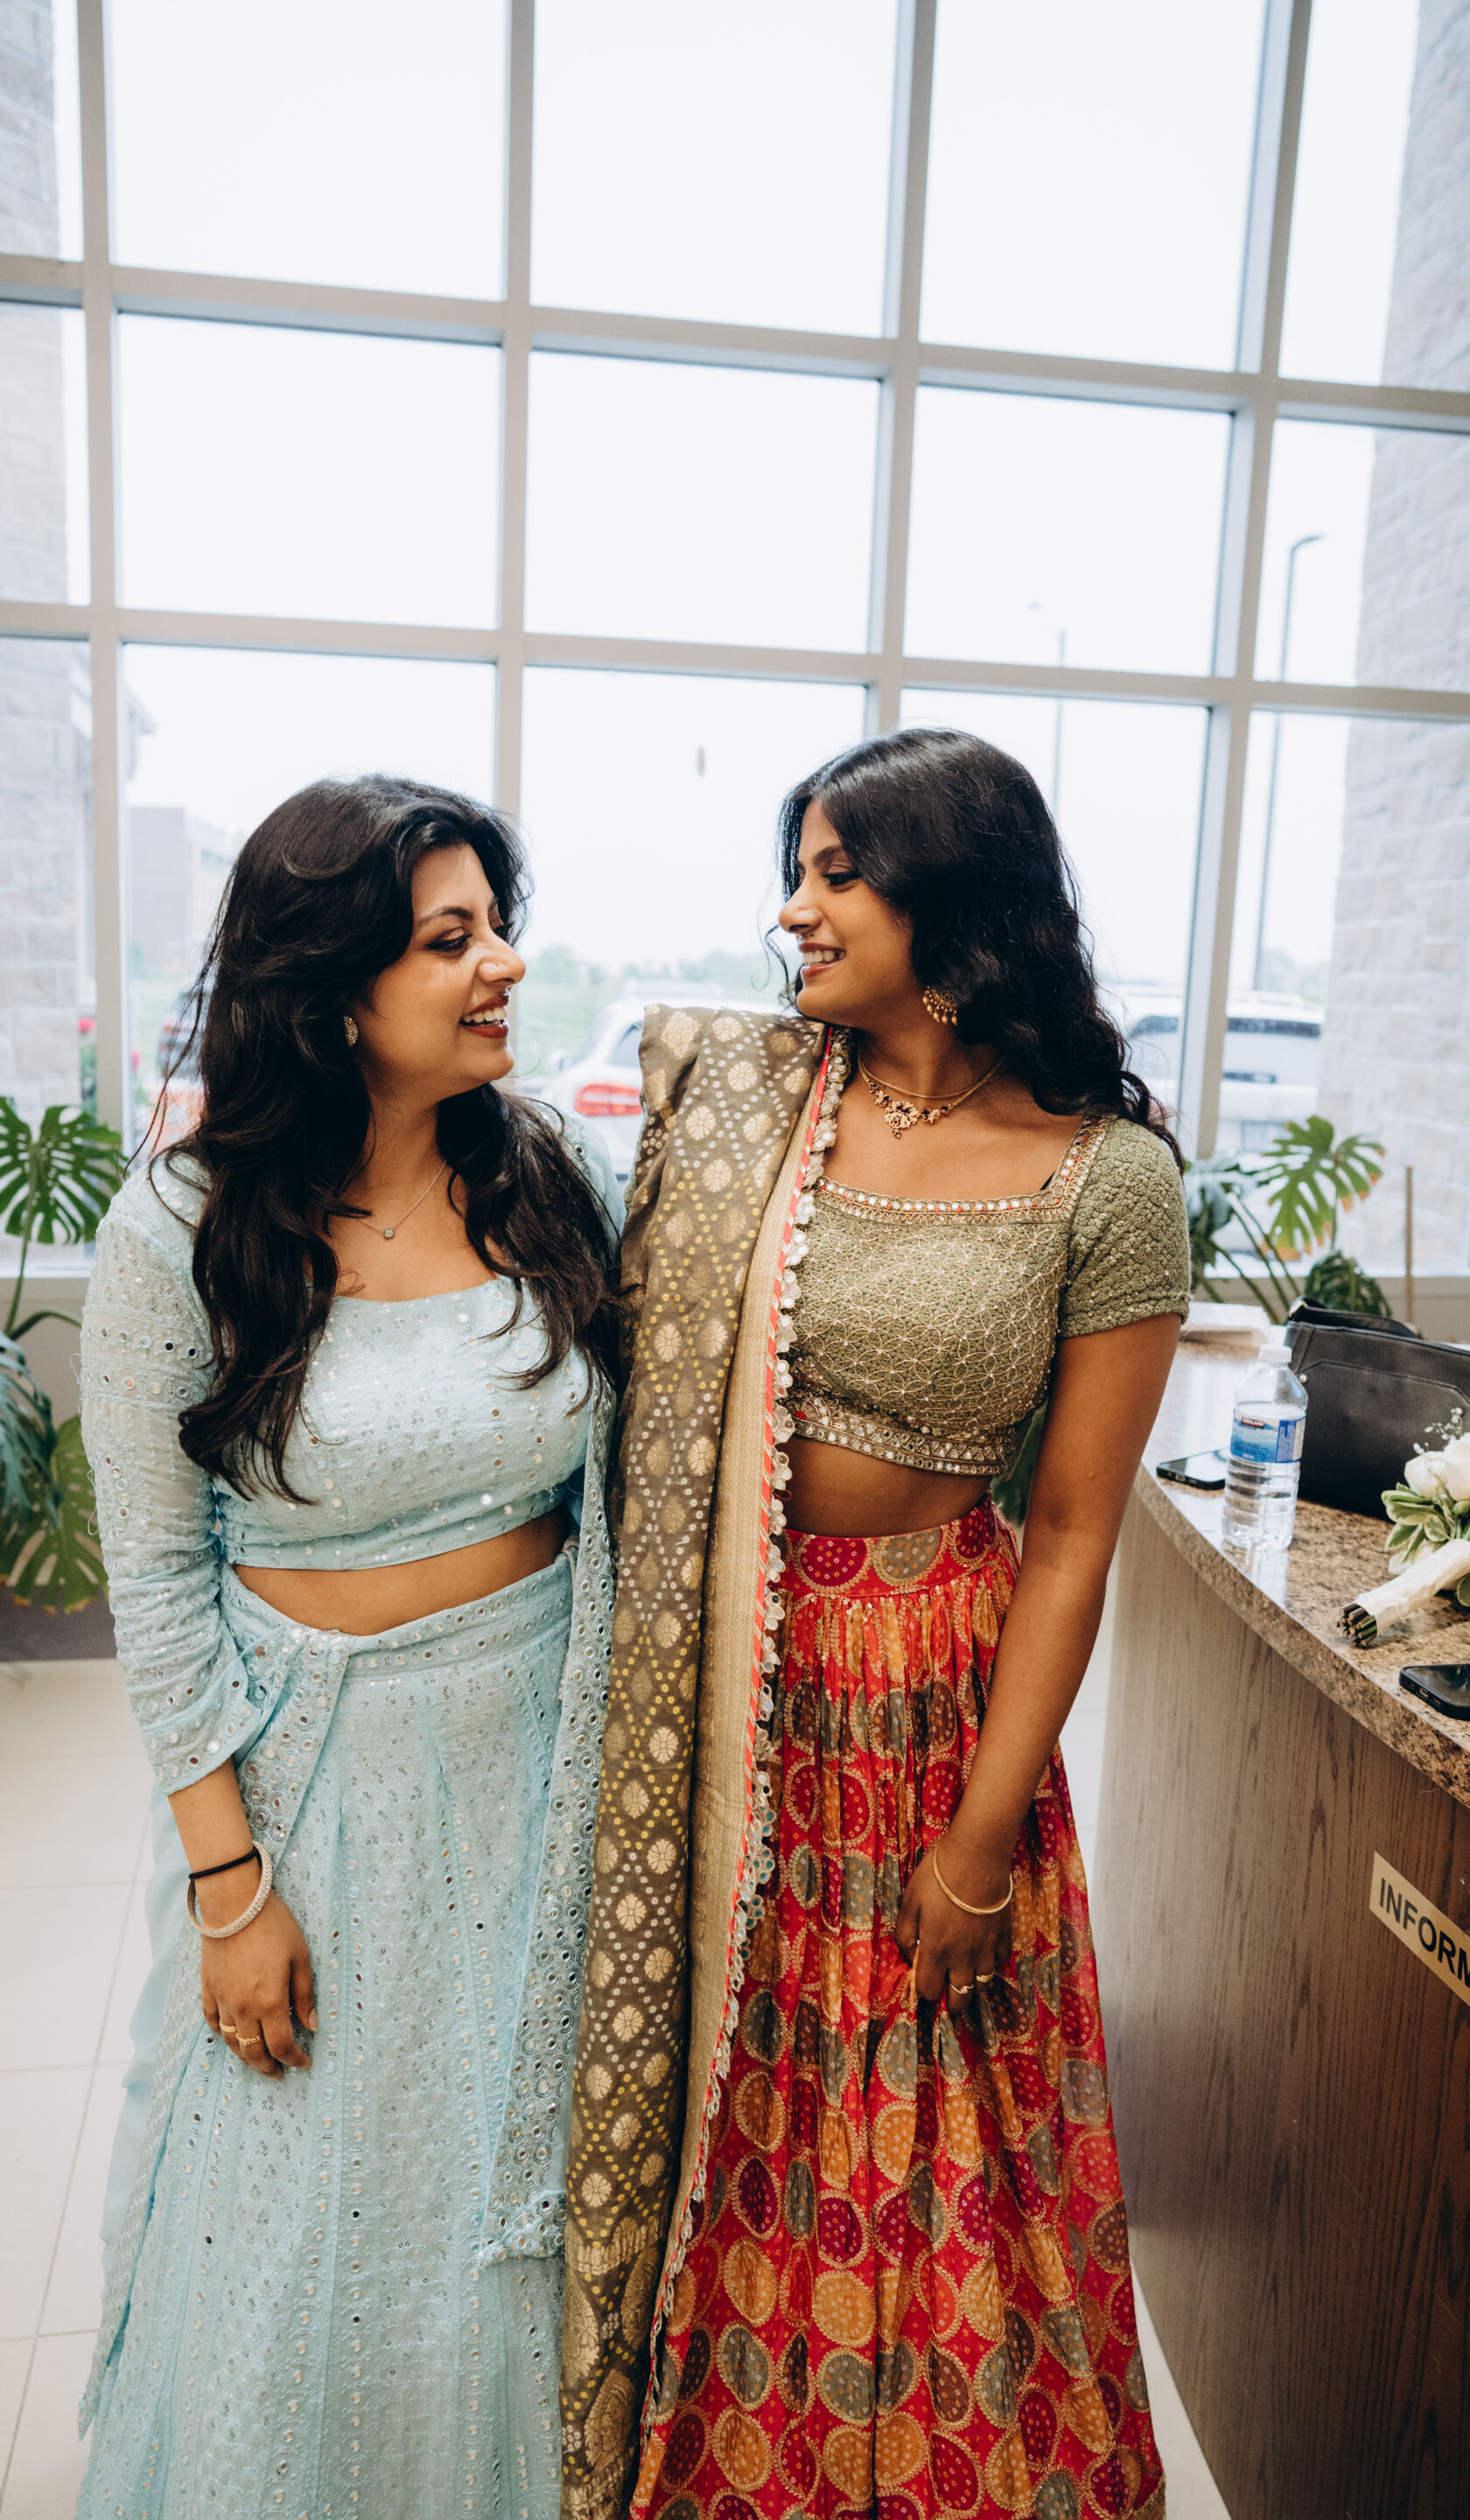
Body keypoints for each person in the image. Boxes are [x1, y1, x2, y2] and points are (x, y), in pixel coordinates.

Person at [560, 727, 1186, 2520]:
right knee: (741, 2091)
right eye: (797, 870)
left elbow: (1070, 1536)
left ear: (955, 899)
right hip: (728, 1669)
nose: (795, 910)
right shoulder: (753, 1107)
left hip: (933, 1695)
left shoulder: (1106, 1175)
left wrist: (983, 1844)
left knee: (936, 2109)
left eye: (837, 874)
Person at [75, 775, 622, 2519]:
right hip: (314, 1787)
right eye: (451, 940)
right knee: (295, 2212)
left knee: (502, 2201)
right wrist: (228, 1893)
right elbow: (158, 1586)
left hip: (537, 1761)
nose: (503, 966)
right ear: (328, 991)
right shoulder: (184, 1231)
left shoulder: (553, 1181)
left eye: (497, 927)